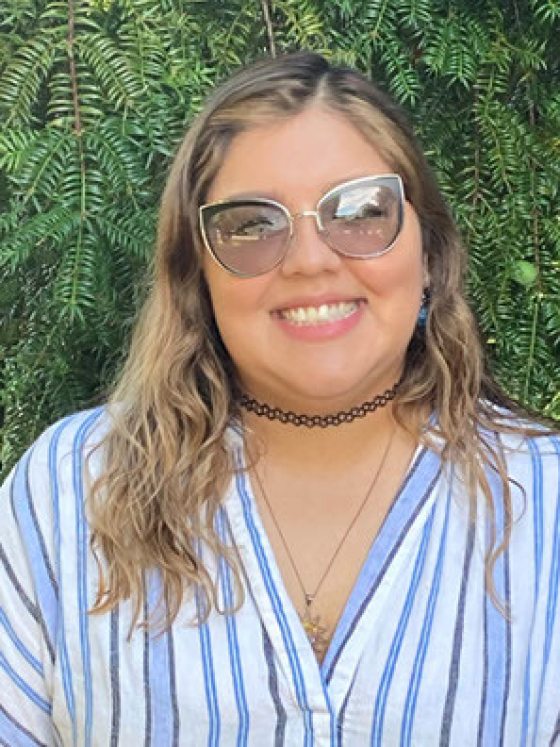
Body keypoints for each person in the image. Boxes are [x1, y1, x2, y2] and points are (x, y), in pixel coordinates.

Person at [1, 51, 559, 747]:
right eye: (252, 224)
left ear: (430, 251)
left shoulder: (546, 500)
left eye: (358, 210)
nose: (308, 259)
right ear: (194, 273)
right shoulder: (70, 491)